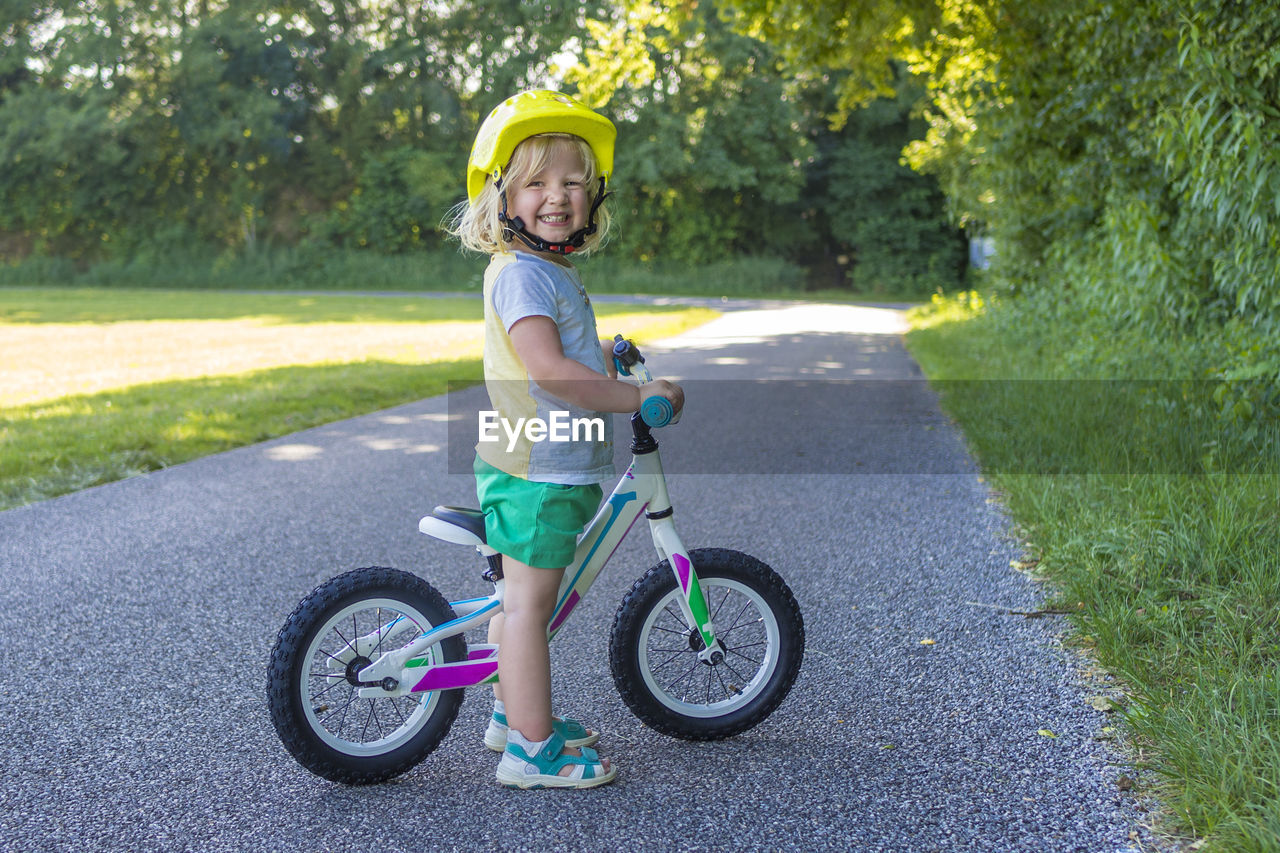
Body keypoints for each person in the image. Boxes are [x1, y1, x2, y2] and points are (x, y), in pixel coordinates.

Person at [447, 89, 683, 789]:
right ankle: (530, 749)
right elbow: (549, 373)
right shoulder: (522, 275)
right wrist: (637, 397)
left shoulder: (547, 271)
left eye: (574, 181)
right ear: (502, 196)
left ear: (594, 196)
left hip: (537, 464)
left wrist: (606, 357)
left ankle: (508, 714)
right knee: (528, 608)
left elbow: (564, 353)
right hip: (536, 471)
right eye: (538, 181)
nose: (558, 195)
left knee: (517, 600)